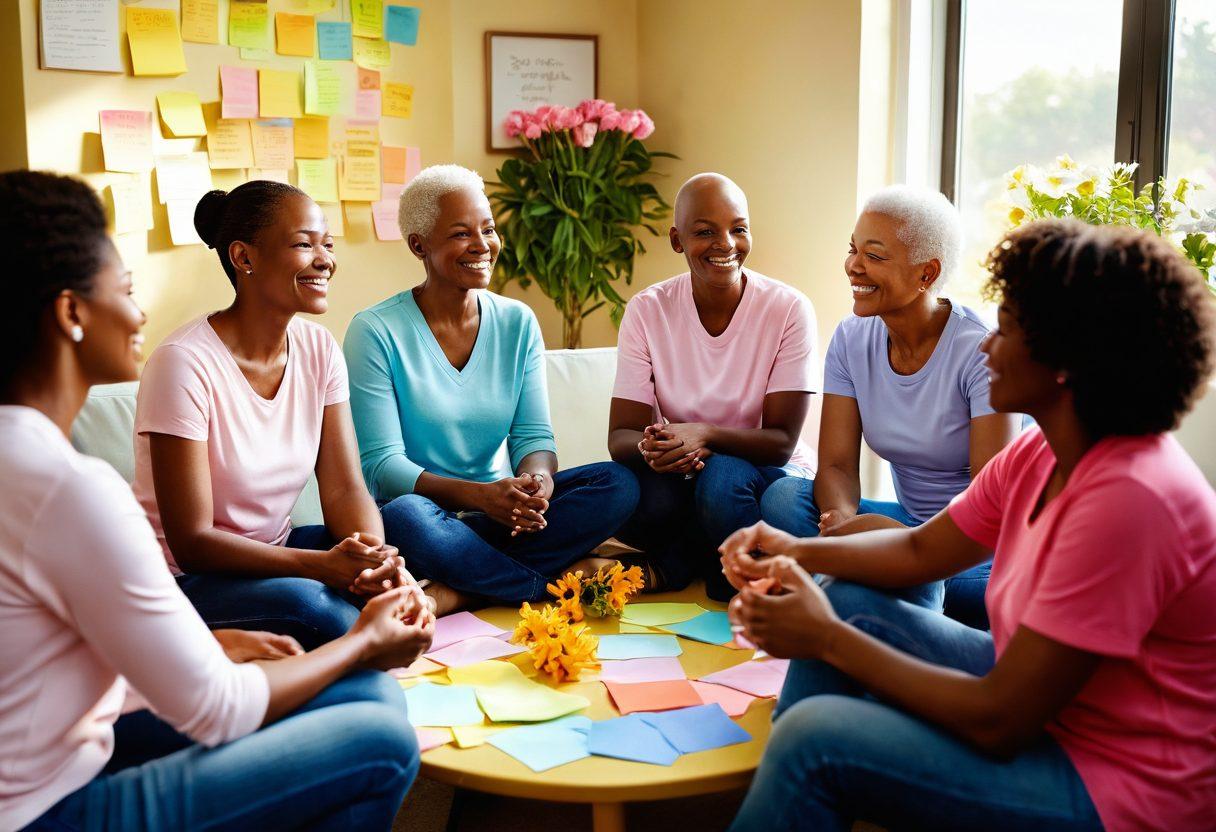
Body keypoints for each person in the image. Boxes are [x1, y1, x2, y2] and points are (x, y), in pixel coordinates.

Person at [721, 219, 1216, 831]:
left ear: (1065, 360)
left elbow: (1000, 719)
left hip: (1118, 781)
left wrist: (823, 638)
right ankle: (791, 794)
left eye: (1005, 331)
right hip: (1058, 712)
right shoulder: (1041, 452)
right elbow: (921, 552)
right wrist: (795, 550)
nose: (985, 346)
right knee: (849, 601)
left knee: (815, 738)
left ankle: (799, 778)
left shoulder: (1132, 497)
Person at [0, 170, 433, 832]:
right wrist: (364, 640)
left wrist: (217, 643)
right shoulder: (74, 489)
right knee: (382, 739)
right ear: (70, 314)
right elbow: (219, 710)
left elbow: (36, 658)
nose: (140, 314)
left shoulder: (26, 465)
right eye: (125, 292)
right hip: (54, 810)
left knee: (369, 691)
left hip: (70, 753)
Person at [131, 181, 412, 650]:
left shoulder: (320, 349)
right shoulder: (182, 363)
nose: (325, 260)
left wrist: (375, 560)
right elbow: (193, 542)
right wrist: (322, 568)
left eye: (327, 244)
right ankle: (369, 636)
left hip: (278, 553)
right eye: (304, 244)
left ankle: (383, 618)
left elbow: (345, 487)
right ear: (244, 258)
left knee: (403, 529)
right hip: (184, 581)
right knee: (314, 608)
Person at [344, 165, 638, 611]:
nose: (483, 246)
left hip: (502, 516)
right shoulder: (375, 330)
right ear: (418, 245)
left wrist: (536, 485)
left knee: (617, 482)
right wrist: (479, 496)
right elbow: (382, 468)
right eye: (462, 234)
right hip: (430, 517)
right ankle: (550, 585)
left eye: (488, 228)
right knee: (402, 515)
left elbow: (534, 437)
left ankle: (460, 589)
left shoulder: (516, 321)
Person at [760, 186, 1021, 625]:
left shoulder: (981, 350)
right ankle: (893, 585)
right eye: (852, 249)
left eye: (875, 256)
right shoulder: (850, 338)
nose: (853, 267)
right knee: (785, 498)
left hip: (975, 546)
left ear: (927, 272)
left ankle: (887, 584)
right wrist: (841, 520)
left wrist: (886, 545)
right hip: (907, 523)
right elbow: (838, 466)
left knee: (982, 596)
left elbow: (989, 504)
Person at [607, 173, 818, 598]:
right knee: (622, 491)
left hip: (770, 474)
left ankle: (714, 574)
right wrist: (659, 446)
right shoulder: (648, 310)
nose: (726, 244)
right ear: (676, 239)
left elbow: (780, 442)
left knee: (722, 477)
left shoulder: (789, 308)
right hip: (689, 472)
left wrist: (704, 434)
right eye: (705, 232)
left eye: (738, 229)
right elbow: (621, 437)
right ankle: (710, 562)